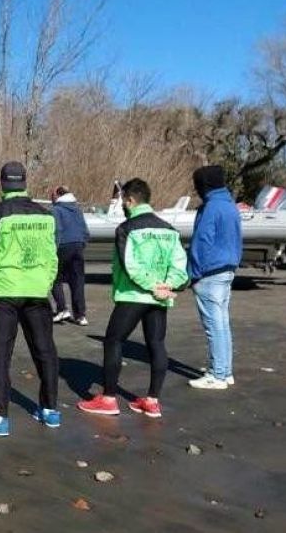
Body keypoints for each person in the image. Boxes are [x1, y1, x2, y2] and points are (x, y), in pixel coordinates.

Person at [77, 178, 189, 418]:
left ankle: (108, 399)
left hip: (133, 295)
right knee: (156, 344)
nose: (122, 206)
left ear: (130, 200)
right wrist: (167, 285)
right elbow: (180, 266)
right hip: (159, 297)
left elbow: (131, 266)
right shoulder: (169, 229)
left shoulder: (127, 229)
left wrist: (151, 286)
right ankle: (152, 401)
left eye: (122, 202)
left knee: (113, 341)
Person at [0, 161, 62, 435]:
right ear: (25, 183)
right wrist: (45, 282)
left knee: (0, 354)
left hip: (4, 291)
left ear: (2, 183)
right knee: (45, 351)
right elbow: (52, 257)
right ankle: (50, 410)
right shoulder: (46, 216)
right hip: (36, 291)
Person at [187, 165, 242, 390]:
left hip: (209, 273)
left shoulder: (211, 208)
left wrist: (193, 274)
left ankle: (218, 375)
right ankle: (224, 371)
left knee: (214, 325)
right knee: (222, 323)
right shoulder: (230, 206)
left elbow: (201, 242)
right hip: (227, 269)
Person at [50, 185, 90, 325]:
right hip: (78, 245)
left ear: (58, 195)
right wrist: (82, 243)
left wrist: (53, 249)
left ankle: (62, 308)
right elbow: (85, 230)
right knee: (77, 280)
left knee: (54, 277)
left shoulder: (56, 210)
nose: (51, 197)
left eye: (52, 195)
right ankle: (81, 315)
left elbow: (57, 230)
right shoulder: (77, 210)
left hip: (63, 246)